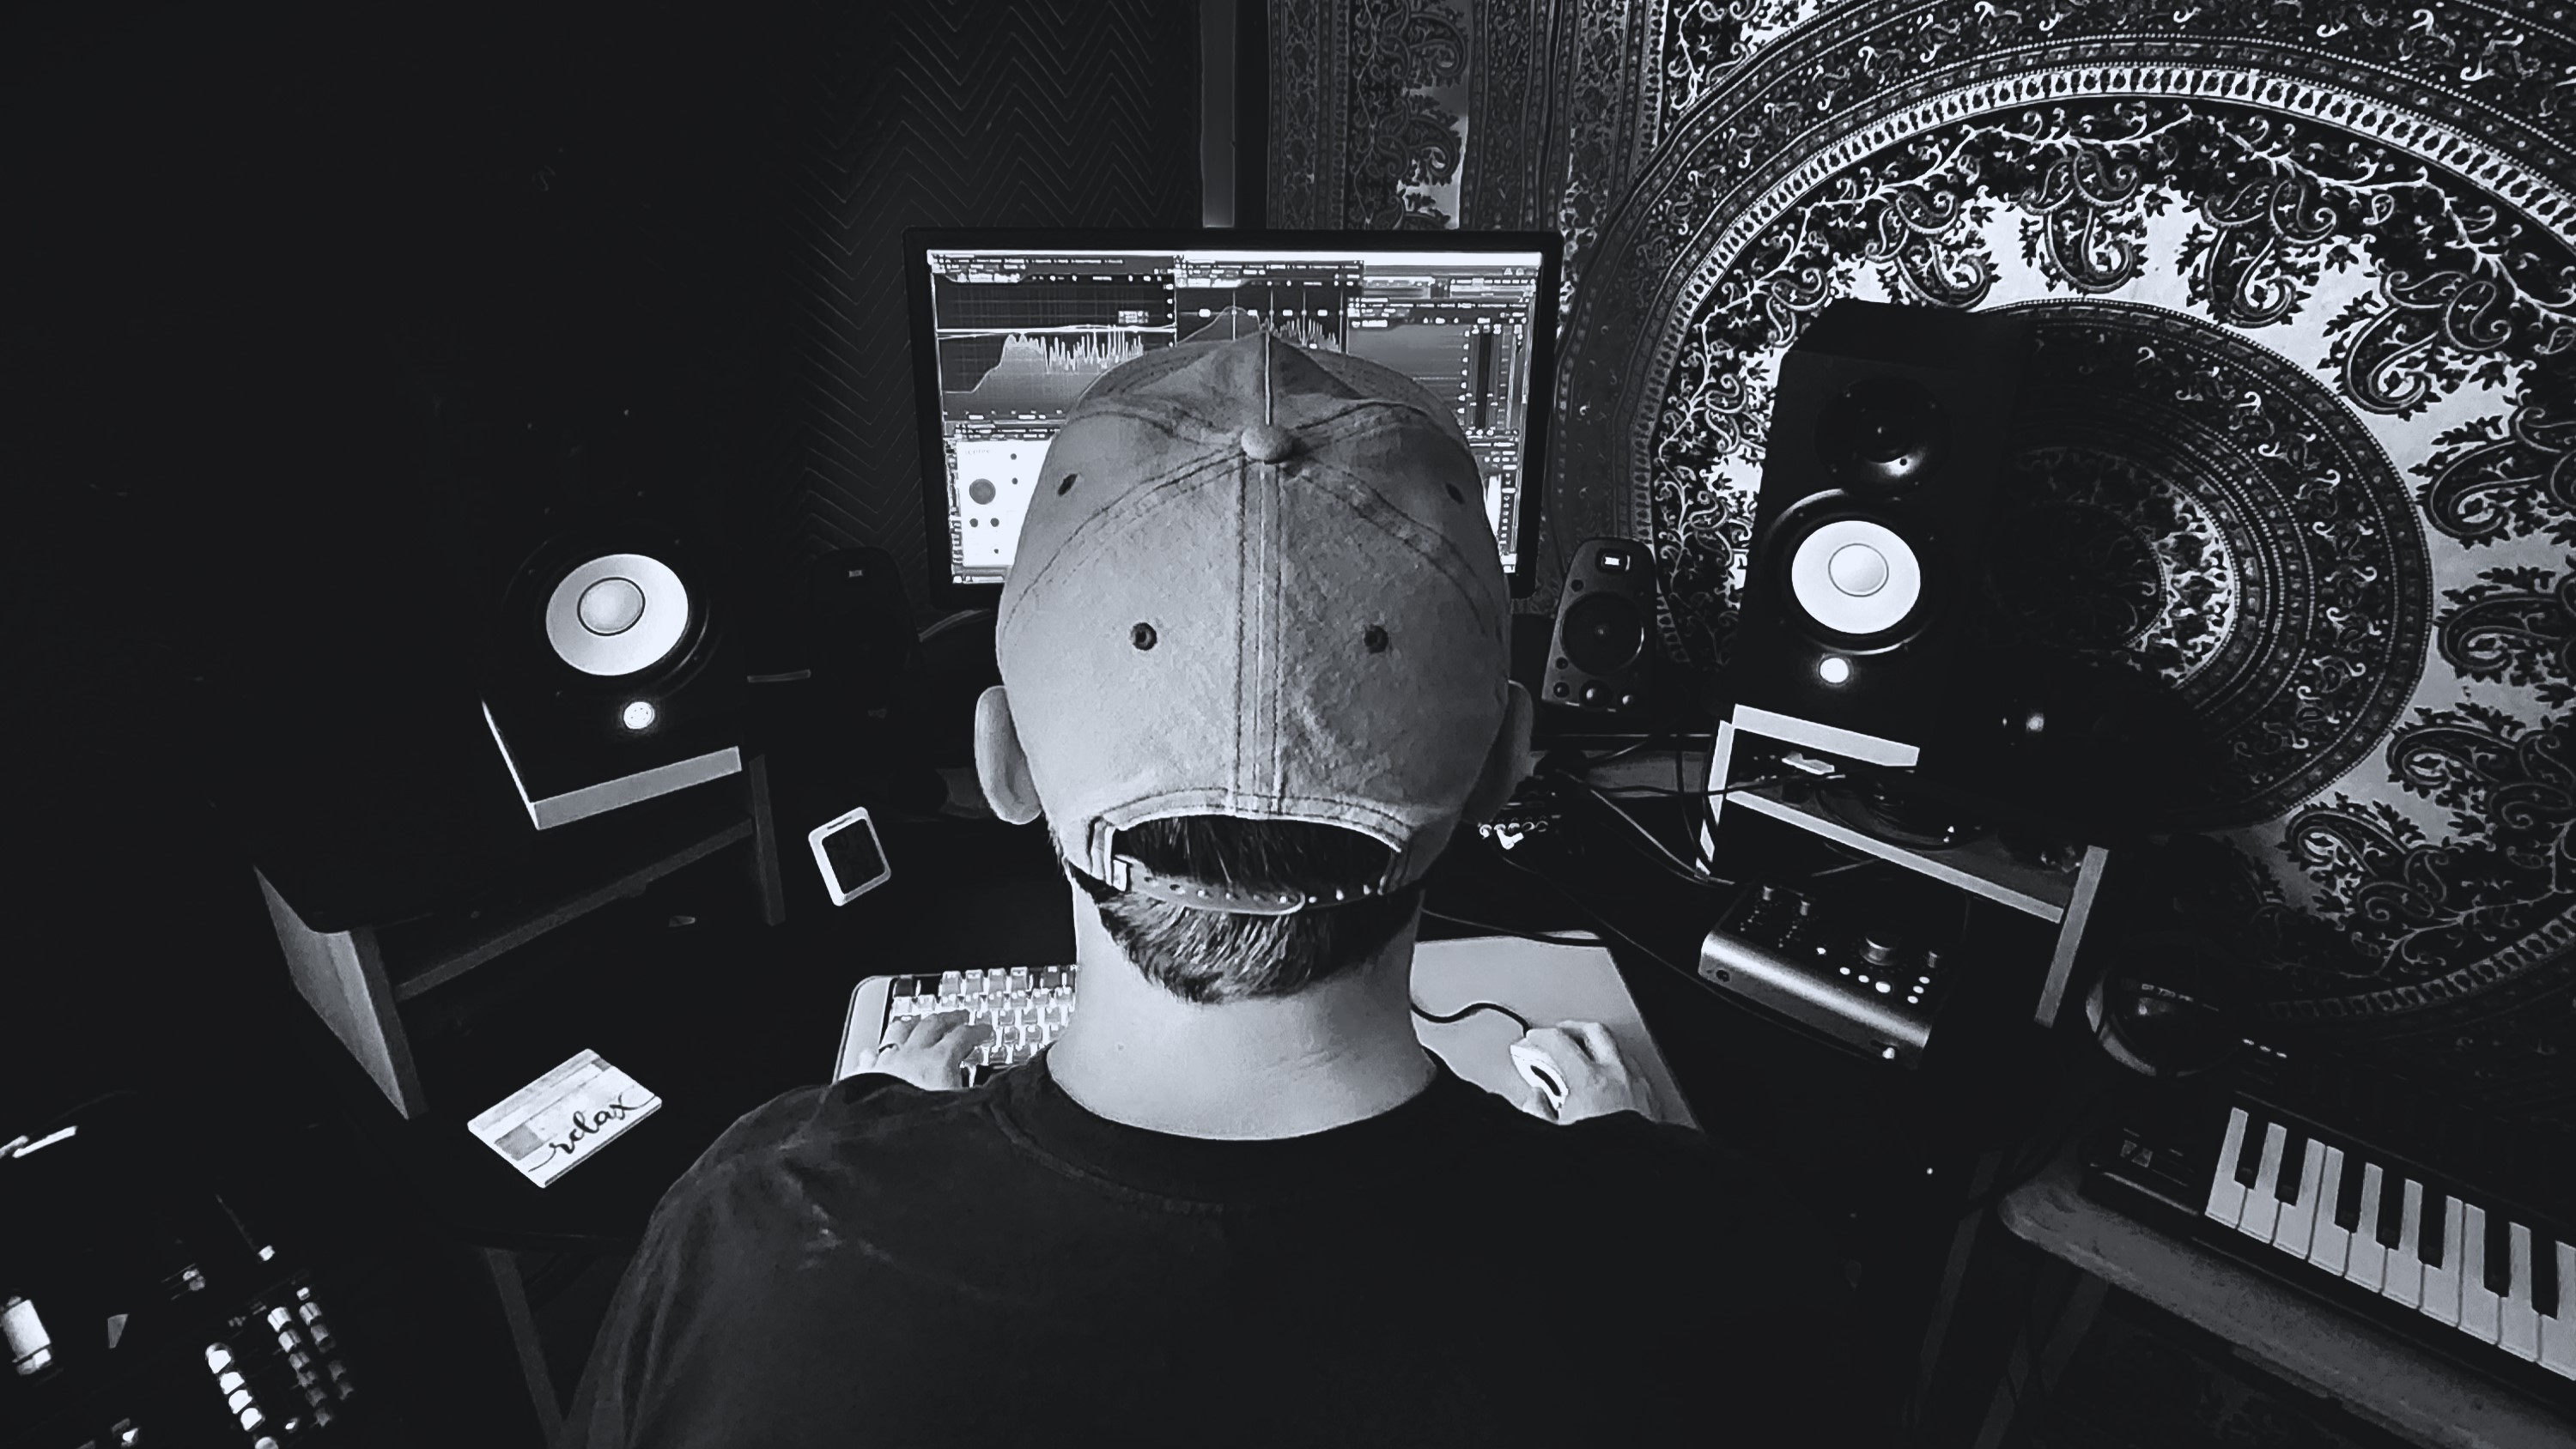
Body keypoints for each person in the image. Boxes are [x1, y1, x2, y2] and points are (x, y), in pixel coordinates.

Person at [560, 334, 1862, 1447]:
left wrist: (871, 1133)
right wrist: (1633, 1172)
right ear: (1505, 764)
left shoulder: (748, 1238)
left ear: (1003, 764)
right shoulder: (1724, 1262)